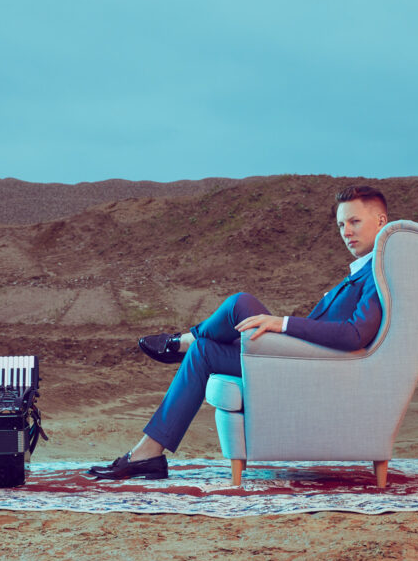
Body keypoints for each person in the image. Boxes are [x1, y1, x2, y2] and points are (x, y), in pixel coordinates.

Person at [90, 184, 390, 480]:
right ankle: (148, 453)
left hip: (310, 367)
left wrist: (283, 323)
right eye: (340, 225)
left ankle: (182, 342)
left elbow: (355, 334)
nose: (346, 232)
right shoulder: (365, 270)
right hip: (301, 359)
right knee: (204, 350)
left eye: (354, 221)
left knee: (240, 303)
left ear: (381, 221)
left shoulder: (379, 272)